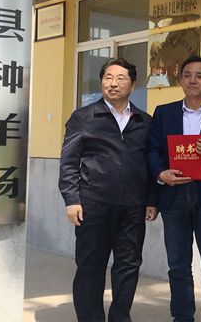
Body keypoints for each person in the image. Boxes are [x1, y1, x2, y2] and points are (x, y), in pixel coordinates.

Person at [58, 58, 158, 322]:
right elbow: (69, 161)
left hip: (133, 207)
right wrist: (72, 199)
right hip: (93, 204)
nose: (113, 83)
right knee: (90, 266)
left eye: (120, 78)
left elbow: (150, 163)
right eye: (108, 78)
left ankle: (120, 317)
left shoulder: (144, 121)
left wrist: (151, 199)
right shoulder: (84, 117)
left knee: (128, 266)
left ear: (133, 85)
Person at [147, 55, 201, 322]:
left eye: (200, 75)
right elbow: (152, 150)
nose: (193, 80)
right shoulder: (164, 112)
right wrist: (161, 173)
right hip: (173, 195)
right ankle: (182, 316)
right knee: (177, 265)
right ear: (180, 80)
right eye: (187, 75)